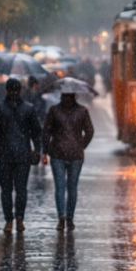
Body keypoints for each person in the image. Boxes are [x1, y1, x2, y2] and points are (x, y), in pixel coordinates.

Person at [0, 78, 41, 232]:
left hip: (4, 154)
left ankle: (9, 219)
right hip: (23, 154)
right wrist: (37, 149)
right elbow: (36, 131)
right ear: (21, 91)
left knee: (6, 189)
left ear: (6, 90)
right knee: (21, 188)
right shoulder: (29, 108)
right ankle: (20, 217)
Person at [41, 91, 95, 231]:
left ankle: (61, 218)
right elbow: (90, 131)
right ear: (75, 95)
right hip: (76, 155)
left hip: (57, 153)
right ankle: (70, 218)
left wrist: (45, 151)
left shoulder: (53, 110)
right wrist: (81, 145)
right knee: (72, 187)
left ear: (61, 95)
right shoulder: (82, 111)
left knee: (59, 187)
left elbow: (46, 131)